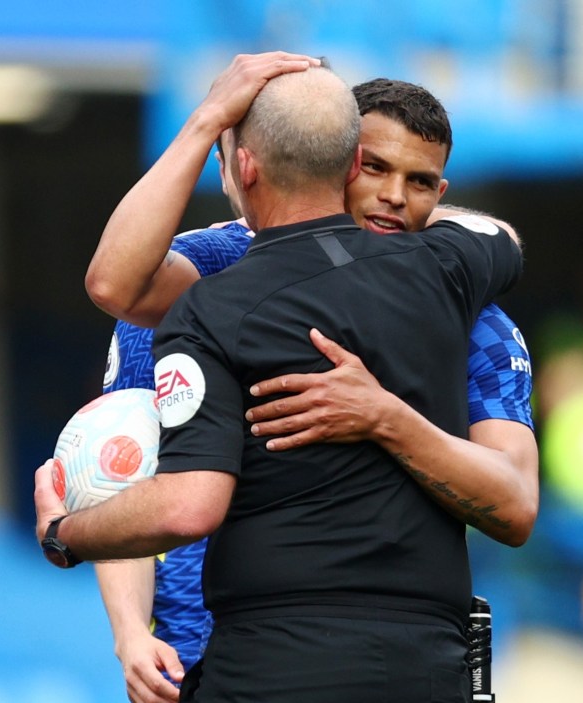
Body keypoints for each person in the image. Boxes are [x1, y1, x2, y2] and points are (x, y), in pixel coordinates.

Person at [35, 53, 523, 702]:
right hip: (200, 649)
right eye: (374, 167)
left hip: (383, 649)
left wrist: (384, 417)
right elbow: (121, 464)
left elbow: (514, 503)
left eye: (421, 181)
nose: (394, 196)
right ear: (340, 161)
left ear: (442, 192)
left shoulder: (461, 303)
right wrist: (129, 630)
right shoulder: (203, 276)